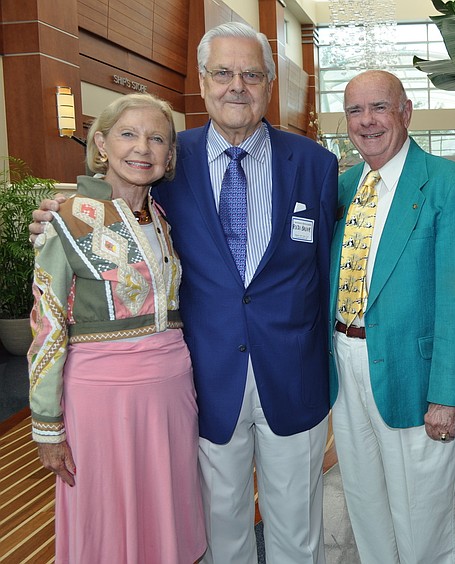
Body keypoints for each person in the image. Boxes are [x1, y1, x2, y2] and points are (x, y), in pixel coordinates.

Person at [31, 22, 338, 564]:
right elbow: (116, 207)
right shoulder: (169, 159)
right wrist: (57, 215)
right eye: (223, 73)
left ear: (270, 85)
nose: (236, 85)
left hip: (293, 373)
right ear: (202, 81)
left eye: (251, 74)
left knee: (298, 529)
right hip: (203, 376)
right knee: (220, 527)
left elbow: (324, 270)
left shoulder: (315, 164)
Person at [28, 93, 206, 563]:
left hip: (170, 393)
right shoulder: (66, 218)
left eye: (157, 139)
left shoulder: (162, 217)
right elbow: (47, 324)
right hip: (102, 398)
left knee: (164, 513)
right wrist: (47, 425)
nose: (142, 148)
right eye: (128, 134)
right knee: (105, 516)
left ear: (170, 155)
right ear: (102, 144)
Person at [328, 69, 455, 564]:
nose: (367, 121)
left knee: (423, 524)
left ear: (406, 112)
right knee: (365, 509)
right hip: (345, 365)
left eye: (379, 107)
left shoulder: (451, 185)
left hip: (416, 378)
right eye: (355, 110)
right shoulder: (342, 187)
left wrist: (448, 395)